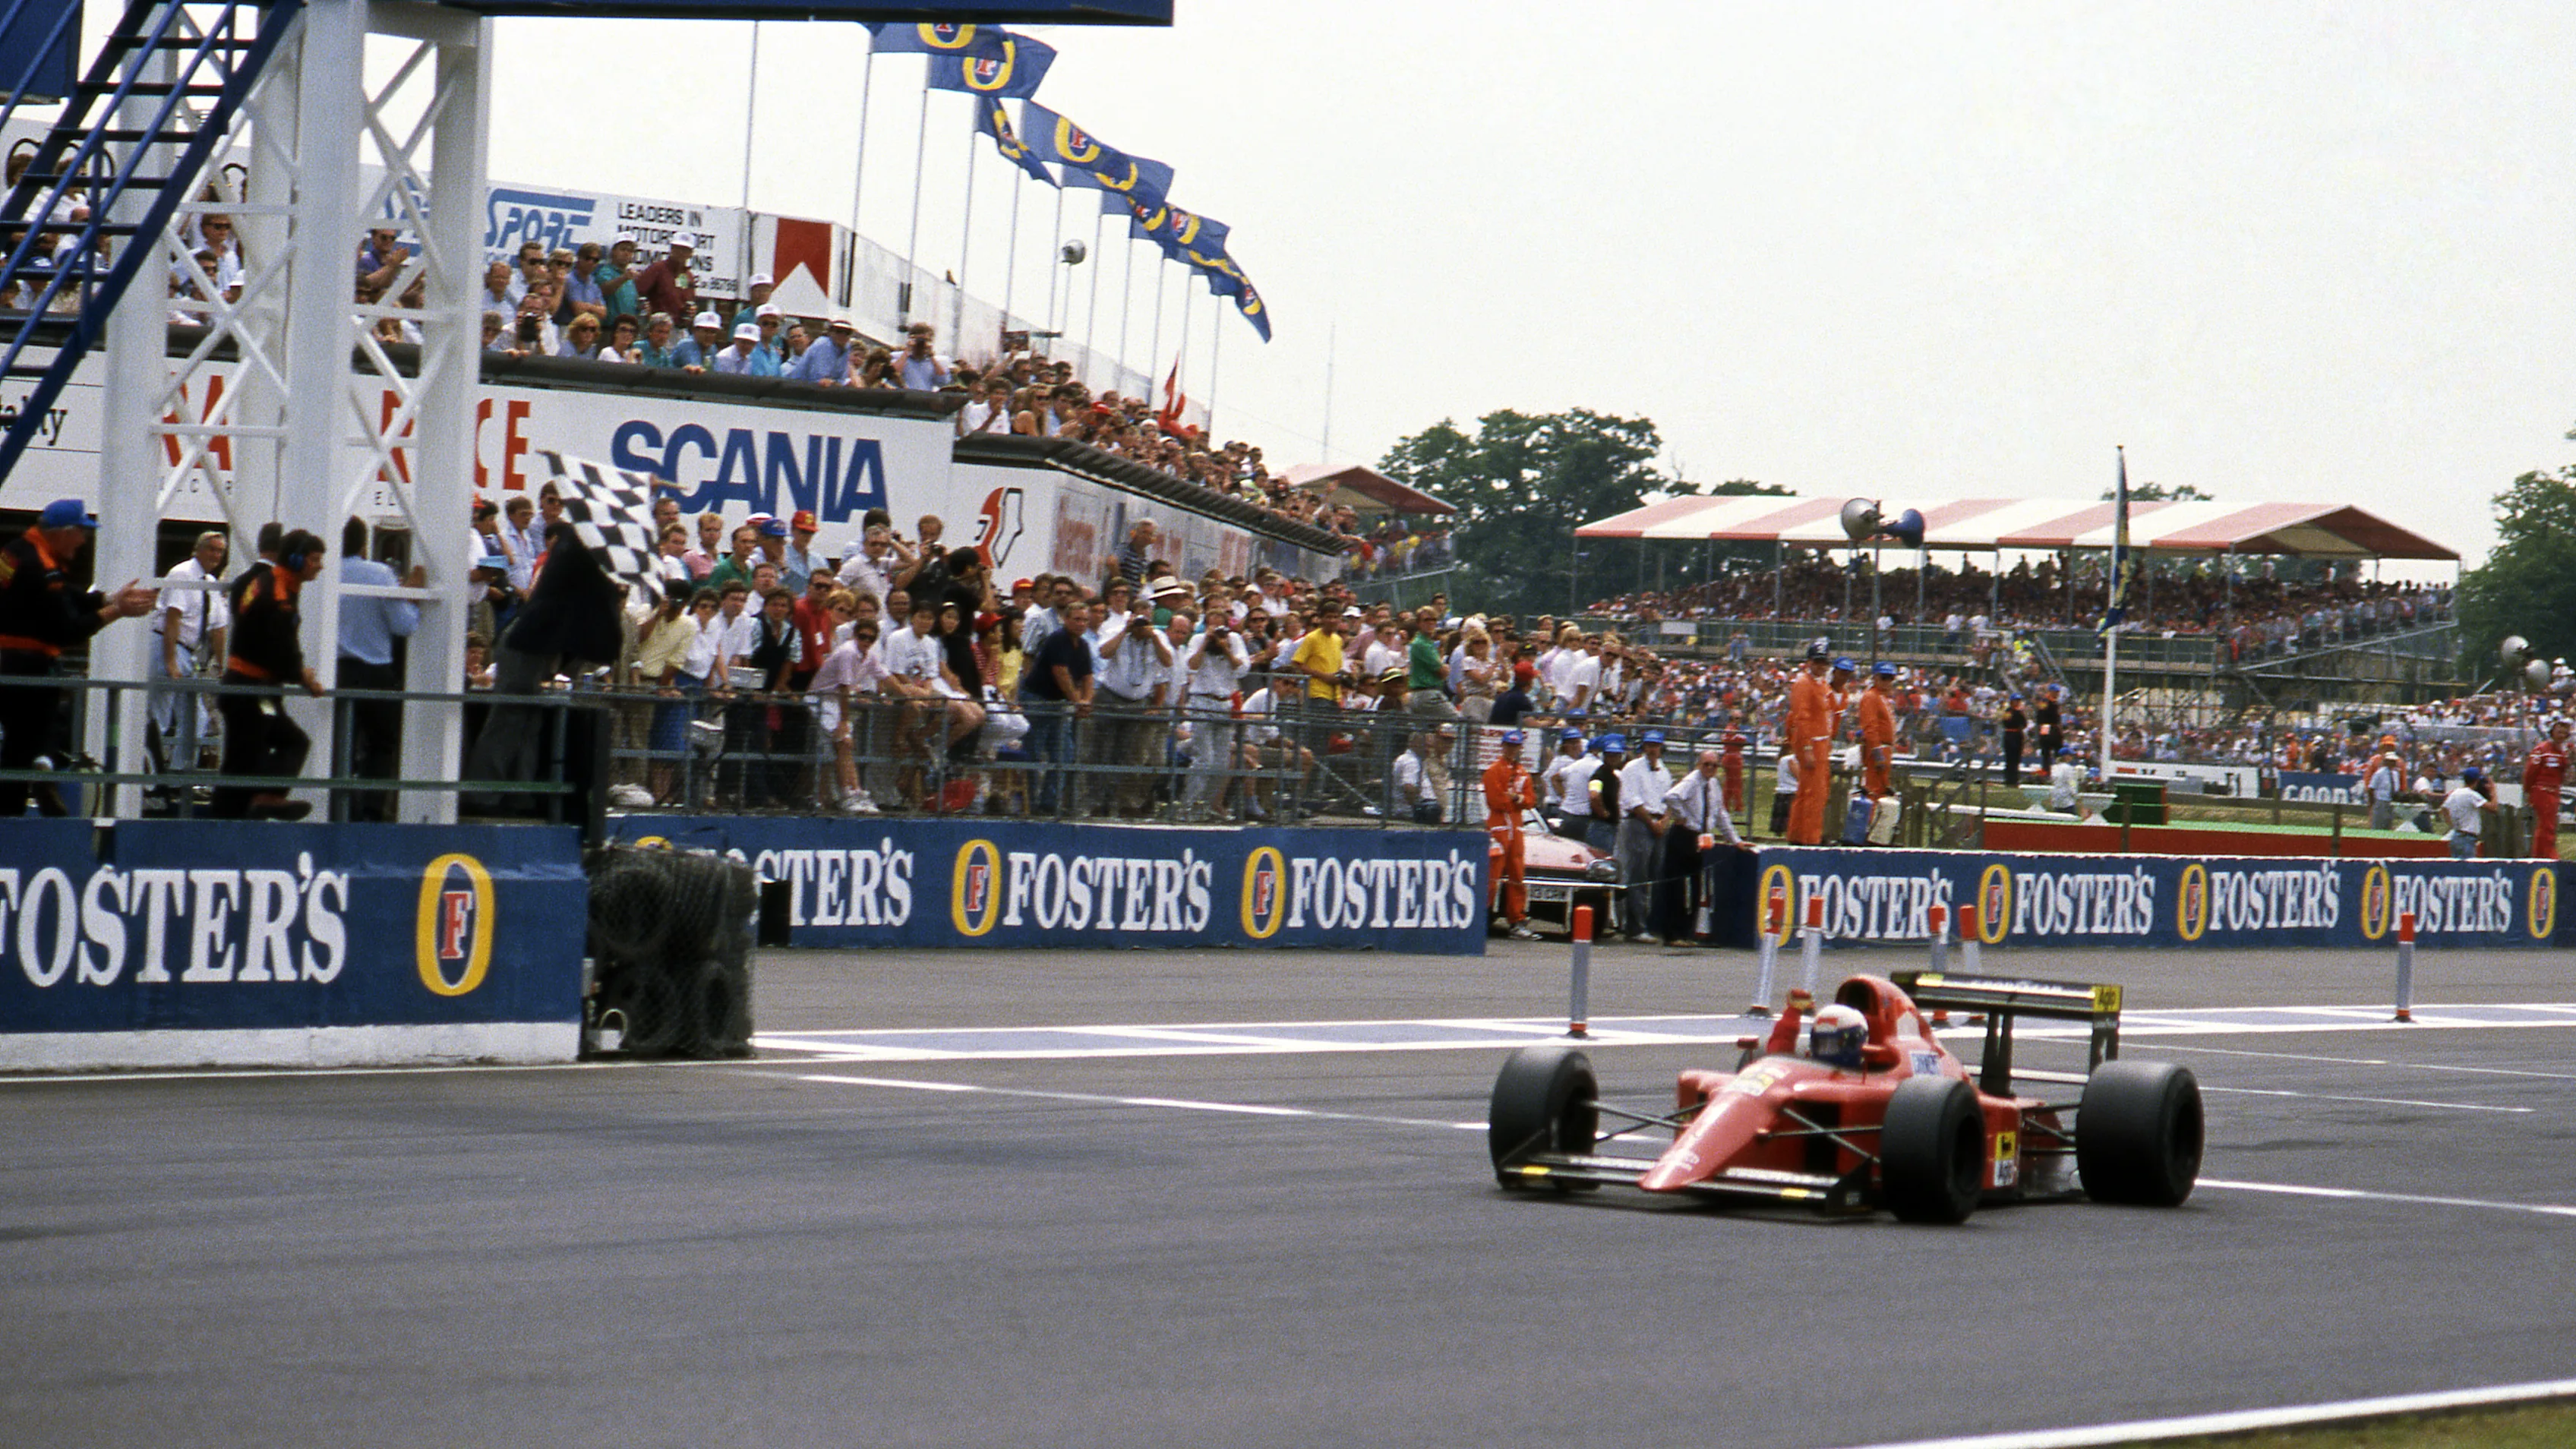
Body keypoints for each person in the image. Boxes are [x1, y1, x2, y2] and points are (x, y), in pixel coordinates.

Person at [0, 500, 158, 816]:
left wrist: (107, 598)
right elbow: (67, 630)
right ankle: (18, 810)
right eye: (81, 533)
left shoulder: (17, 550)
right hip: (28, 668)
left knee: (23, 745)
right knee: (25, 745)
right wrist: (117, 611)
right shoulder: (43, 567)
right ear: (64, 532)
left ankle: (38, 773)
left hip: (10, 662)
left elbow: (63, 596)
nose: (84, 541)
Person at [213, 527, 327, 820]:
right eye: (315, 560)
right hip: (251, 690)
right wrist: (303, 677)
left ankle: (256, 805)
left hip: (249, 688)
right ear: (298, 560)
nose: (320, 566)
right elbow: (282, 649)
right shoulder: (278, 597)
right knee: (278, 748)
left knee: (242, 764)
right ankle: (262, 801)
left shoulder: (268, 583)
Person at [334, 517, 425, 822]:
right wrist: (411, 598)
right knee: (381, 744)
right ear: (364, 544)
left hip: (335, 670)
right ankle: (371, 811)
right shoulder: (379, 574)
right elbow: (404, 624)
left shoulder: (324, 572)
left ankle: (338, 806)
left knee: (338, 742)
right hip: (375, 670)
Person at [149, 529, 230, 772]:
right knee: (159, 716)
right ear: (197, 550)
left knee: (196, 719)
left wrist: (224, 666)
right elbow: (173, 617)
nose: (216, 556)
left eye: (220, 551)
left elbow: (218, 627)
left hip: (187, 653)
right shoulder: (183, 573)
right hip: (167, 646)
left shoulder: (210, 583)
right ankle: (148, 776)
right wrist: (170, 660)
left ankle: (177, 775)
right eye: (211, 549)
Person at [1656, 748, 1747, 945]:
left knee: (1695, 888)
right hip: (1684, 836)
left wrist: (1736, 840)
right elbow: (1671, 797)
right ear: (1699, 764)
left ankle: (1685, 931)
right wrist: (1682, 816)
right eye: (1706, 765)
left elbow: (1721, 815)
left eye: (1714, 765)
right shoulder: (1692, 781)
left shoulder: (1713, 785)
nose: (1710, 769)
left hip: (1700, 839)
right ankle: (1672, 934)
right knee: (1677, 887)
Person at [1482, 728, 1542, 941]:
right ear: (1503, 746)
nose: (1512, 750)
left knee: (1517, 875)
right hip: (1498, 828)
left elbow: (1531, 800)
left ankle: (1517, 921)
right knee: (1491, 877)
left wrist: (1516, 799)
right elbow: (1496, 801)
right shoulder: (1493, 770)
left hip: (1516, 828)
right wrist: (1516, 801)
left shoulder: (1523, 773)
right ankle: (1481, 919)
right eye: (1509, 746)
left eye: (1516, 746)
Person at [1615, 729, 1673, 942]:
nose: (1652, 749)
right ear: (1643, 747)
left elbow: (1670, 800)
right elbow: (1632, 800)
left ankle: (1648, 922)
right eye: (1649, 745)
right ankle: (1635, 927)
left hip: (1658, 821)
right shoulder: (1632, 768)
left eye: (1655, 745)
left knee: (1654, 874)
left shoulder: (1664, 771)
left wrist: (1664, 821)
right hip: (1638, 821)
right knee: (1637, 875)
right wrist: (1651, 823)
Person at [1784, 643, 1836, 844]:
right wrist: (1806, 748)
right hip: (1812, 743)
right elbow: (1801, 718)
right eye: (1818, 661)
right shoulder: (1803, 683)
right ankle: (1811, 839)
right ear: (1810, 662)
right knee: (1815, 794)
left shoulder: (1821, 683)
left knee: (1809, 792)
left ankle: (1798, 836)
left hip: (1821, 743)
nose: (1822, 666)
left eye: (1825, 662)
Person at [2523, 721, 2566, 859]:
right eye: (2559, 732)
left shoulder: (2563, 752)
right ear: (2552, 732)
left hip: (2554, 792)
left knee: (2547, 824)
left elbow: (2563, 773)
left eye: (2565, 733)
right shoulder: (2541, 750)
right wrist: (2528, 790)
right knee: (2547, 825)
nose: (2562, 735)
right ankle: (2549, 856)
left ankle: (2540, 855)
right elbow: (2530, 772)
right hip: (2542, 790)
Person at [2443, 767, 2495, 860]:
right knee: (2468, 868)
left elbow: (2444, 808)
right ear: (2477, 781)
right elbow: (2493, 807)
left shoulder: (2455, 793)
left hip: (2456, 835)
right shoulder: (2471, 795)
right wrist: (2493, 790)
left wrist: (2451, 824)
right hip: (2468, 837)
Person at [2000, 694, 2028, 789]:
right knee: (2010, 760)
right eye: (2016, 701)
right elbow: (2006, 723)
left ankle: (2015, 780)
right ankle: (2009, 781)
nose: (2018, 702)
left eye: (2019, 701)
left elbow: (2024, 724)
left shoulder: (2020, 712)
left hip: (2017, 736)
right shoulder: (2008, 711)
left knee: (2016, 760)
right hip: (2010, 735)